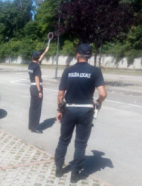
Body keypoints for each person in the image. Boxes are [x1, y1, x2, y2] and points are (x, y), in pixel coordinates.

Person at [54, 43, 107, 183]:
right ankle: (75, 175)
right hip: (86, 110)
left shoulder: (68, 70)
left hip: (69, 109)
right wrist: (98, 102)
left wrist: (60, 110)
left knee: (63, 140)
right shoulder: (95, 71)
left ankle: (59, 169)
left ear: (77, 55)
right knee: (81, 144)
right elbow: (103, 93)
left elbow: (60, 94)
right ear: (89, 56)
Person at [28, 46, 49, 133]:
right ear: (37, 58)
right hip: (36, 88)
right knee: (37, 109)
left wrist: (45, 51)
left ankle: (31, 125)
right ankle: (35, 127)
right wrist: (39, 91)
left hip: (32, 87)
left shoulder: (31, 65)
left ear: (32, 57)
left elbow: (39, 59)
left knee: (32, 107)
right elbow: (37, 78)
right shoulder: (37, 67)